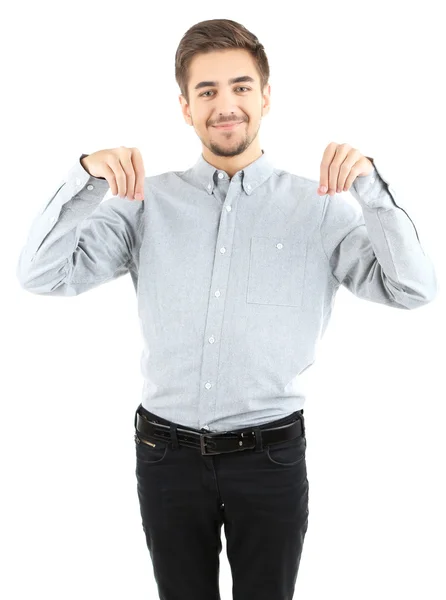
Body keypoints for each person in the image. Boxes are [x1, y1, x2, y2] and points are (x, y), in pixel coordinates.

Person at [16, 17, 437, 600]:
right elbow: (41, 275)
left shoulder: (321, 208)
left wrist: (371, 188)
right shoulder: (144, 203)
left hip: (269, 457)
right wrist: (85, 178)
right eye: (207, 91)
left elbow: (413, 290)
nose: (226, 104)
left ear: (265, 97)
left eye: (240, 87)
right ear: (186, 107)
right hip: (165, 456)